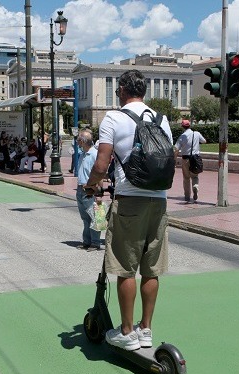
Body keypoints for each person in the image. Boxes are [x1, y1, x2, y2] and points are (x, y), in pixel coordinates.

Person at [84, 69, 172, 351]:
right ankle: (145, 329)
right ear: (144, 91)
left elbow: (101, 164)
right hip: (158, 201)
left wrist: (90, 186)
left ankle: (126, 332)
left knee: (125, 268)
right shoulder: (162, 119)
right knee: (151, 269)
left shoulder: (114, 118)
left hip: (129, 200)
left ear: (122, 89)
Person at [75, 129, 101, 252]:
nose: (77, 142)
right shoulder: (82, 154)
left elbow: (100, 174)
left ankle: (95, 243)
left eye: (79, 139)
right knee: (85, 218)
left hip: (90, 189)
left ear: (84, 141)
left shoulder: (94, 155)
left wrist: (99, 193)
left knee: (93, 217)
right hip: (80, 189)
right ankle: (87, 241)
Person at [174, 119, 206, 203]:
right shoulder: (197, 134)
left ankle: (187, 196)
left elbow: (176, 149)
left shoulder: (182, 136)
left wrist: (174, 160)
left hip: (185, 159)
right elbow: (204, 141)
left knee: (186, 178)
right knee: (195, 176)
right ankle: (195, 186)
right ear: (190, 126)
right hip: (195, 158)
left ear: (182, 127)